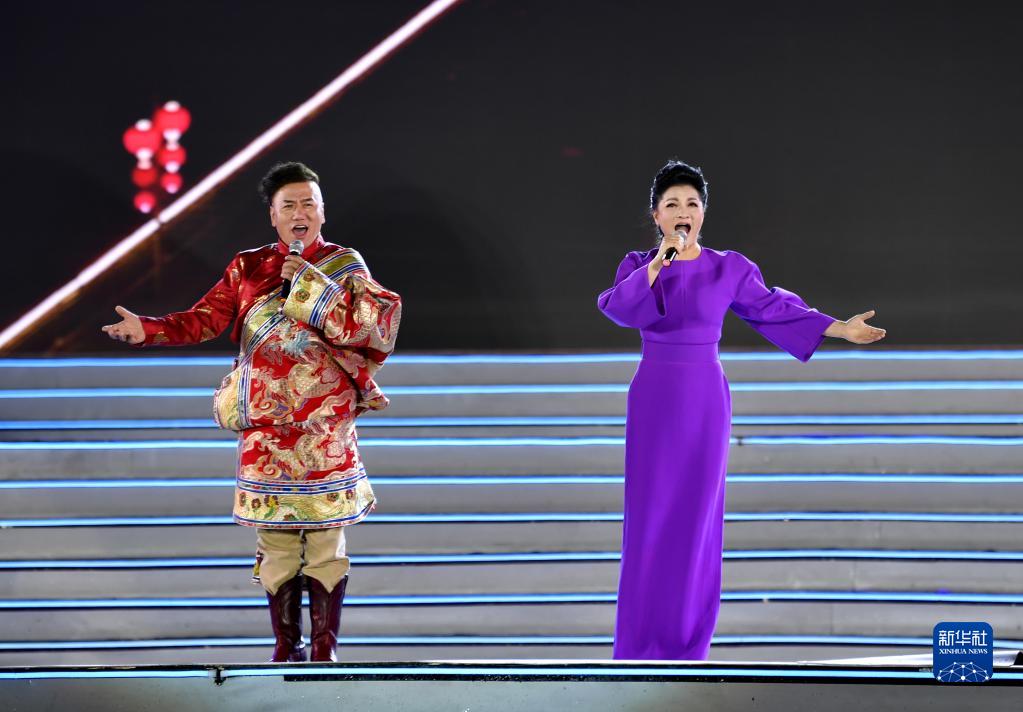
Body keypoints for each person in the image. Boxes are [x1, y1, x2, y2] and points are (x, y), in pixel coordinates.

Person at [102, 161, 402, 663]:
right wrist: (148, 330)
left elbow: (371, 328)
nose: (300, 213)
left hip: (323, 427)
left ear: (322, 211)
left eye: (308, 204)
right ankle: (285, 648)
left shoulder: (346, 264)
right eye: (290, 205)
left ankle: (324, 650)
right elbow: (206, 319)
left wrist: (309, 286)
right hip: (265, 429)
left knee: (326, 542)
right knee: (277, 542)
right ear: (273, 215)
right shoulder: (248, 267)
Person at [597, 160, 885, 660]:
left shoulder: (727, 267)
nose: (683, 212)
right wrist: (659, 265)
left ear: (703, 213)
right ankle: (638, 644)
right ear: (656, 215)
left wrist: (840, 328)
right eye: (672, 204)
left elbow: (773, 306)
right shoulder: (638, 266)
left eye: (691, 203)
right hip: (654, 398)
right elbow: (619, 307)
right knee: (650, 519)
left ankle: (686, 644)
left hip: (705, 399)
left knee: (697, 521)